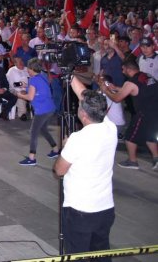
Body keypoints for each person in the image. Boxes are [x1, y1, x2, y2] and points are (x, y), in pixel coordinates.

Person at [54, 84, 117, 258]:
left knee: (77, 255)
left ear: (83, 114)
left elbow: (59, 170)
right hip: (105, 208)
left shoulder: (77, 139)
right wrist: (71, 76)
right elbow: (85, 95)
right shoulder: (110, 128)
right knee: (102, 253)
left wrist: (64, 148)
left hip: (80, 210)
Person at [98, 60, 158, 170]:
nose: (122, 71)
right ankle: (156, 159)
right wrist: (115, 88)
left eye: (123, 69)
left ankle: (132, 161)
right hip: (155, 111)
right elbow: (134, 90)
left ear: (128, 69)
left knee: (130, 137)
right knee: (150, 137)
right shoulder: (146, 76)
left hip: (144, 113)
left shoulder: (130, 83)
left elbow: (117, 98)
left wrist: (105, 90)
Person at [14, 59, 59, 166]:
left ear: (32, 69)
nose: (27, 70)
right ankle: (56, 149)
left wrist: (19, 95)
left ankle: (32, 158)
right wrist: (26, 86)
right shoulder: (42, 76)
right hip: (50, 108)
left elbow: (30, 97)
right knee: (43, 129)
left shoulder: (33, 80)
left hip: (41, 110)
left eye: (28, 68)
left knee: (33, 132)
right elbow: (40, 88)